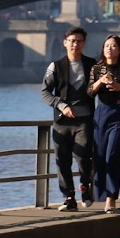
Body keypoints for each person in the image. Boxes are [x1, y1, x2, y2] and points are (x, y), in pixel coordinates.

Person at [40, 26, 96, 211]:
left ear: (84, 44)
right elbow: (45, 92)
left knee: (83, 156)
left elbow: (100, 89)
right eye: (72, 41)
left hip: (85, 119)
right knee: (62, 160)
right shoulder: (55, 66)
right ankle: (69, 198)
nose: (75, 44)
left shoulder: (92, 65)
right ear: (65, 43)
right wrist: (61, 105)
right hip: (62, 121)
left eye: (79, 41)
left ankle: (85, 187)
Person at [88, 35, 120, 213]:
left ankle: (111, 198)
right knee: (99, 156)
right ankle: (98, 193)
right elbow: (89, 93)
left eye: (113, 46)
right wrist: (100, 81)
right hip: (100, 115)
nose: (109, 48)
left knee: (113, 156)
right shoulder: (97, 68)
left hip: (119, 116)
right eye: (106, 45)